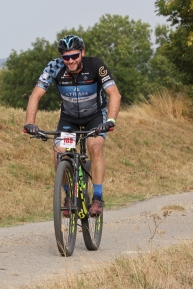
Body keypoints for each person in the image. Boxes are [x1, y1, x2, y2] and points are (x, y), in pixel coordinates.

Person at [23, 35, 121, 216]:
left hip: (95, 117)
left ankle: (98, 198)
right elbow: (35, 95)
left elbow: (114, 94)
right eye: (65, 57)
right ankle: (69, 195)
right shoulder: (54, 67)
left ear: (82, 53)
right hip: (69, 120)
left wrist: (111, 121)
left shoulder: (96, 66)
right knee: (59, 151)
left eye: (74, 56)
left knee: (95, 146)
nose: (70, 61)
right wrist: (30, 123)